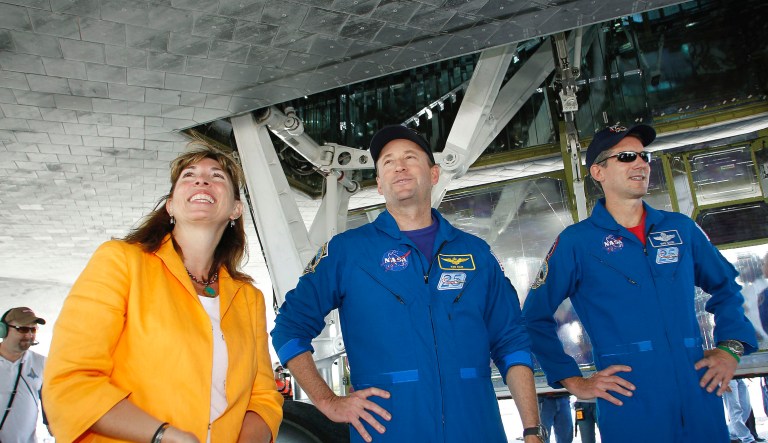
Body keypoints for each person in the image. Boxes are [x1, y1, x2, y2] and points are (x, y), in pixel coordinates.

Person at [271, 125, 544, 443]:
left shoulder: (476, 254)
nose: (398, 166)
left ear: (434, 174)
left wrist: (532, 430)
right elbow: (289, 329)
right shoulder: (347, 252)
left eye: (410, 157)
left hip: (476, 430)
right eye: (387, 162)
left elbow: (512, 344)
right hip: (390, 432)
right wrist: (326, 402)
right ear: (379, 184)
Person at [522, 124, 757, 442]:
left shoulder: (680, 230)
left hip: (699, 390)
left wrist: (730, 347)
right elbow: (533, 318)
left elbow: (726, 286)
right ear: (598, 172)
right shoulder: (577, 243)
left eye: (645, 156)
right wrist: (573, 379)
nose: (641, 164)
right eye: (627, 156)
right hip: (630, 400)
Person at [42, 144, 283, 442]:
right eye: (189, 175)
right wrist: (164, 436)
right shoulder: (121, 261)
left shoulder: (248, 297)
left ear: (236, 208)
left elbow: (263, 397)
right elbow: (70, 383)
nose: (201, 180)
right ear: (170, 205)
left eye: (217, 176)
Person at [0, 307, 47, 443]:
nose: (29, 335)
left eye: (33, 330)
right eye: (22, 329)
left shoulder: (43, 363)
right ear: (3, 329)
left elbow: (50, 412)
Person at [724, 378, 755, 443]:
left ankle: (731, 434)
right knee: (734, 410)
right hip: (726, 377)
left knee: (746, 408)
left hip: (738, 375)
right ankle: (748, 439)